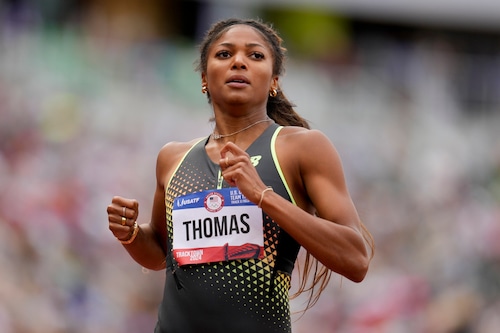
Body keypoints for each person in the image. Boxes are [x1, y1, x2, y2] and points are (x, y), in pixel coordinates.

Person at [107, 17, 374, 333]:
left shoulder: (301, 147)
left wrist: (263, 195)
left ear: (274, 80)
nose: (238, 62)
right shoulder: (172, 157)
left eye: (255, 55)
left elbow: (356, 259)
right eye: (224, 54)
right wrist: (131, 234)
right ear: (204, 78)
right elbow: (161, 256)